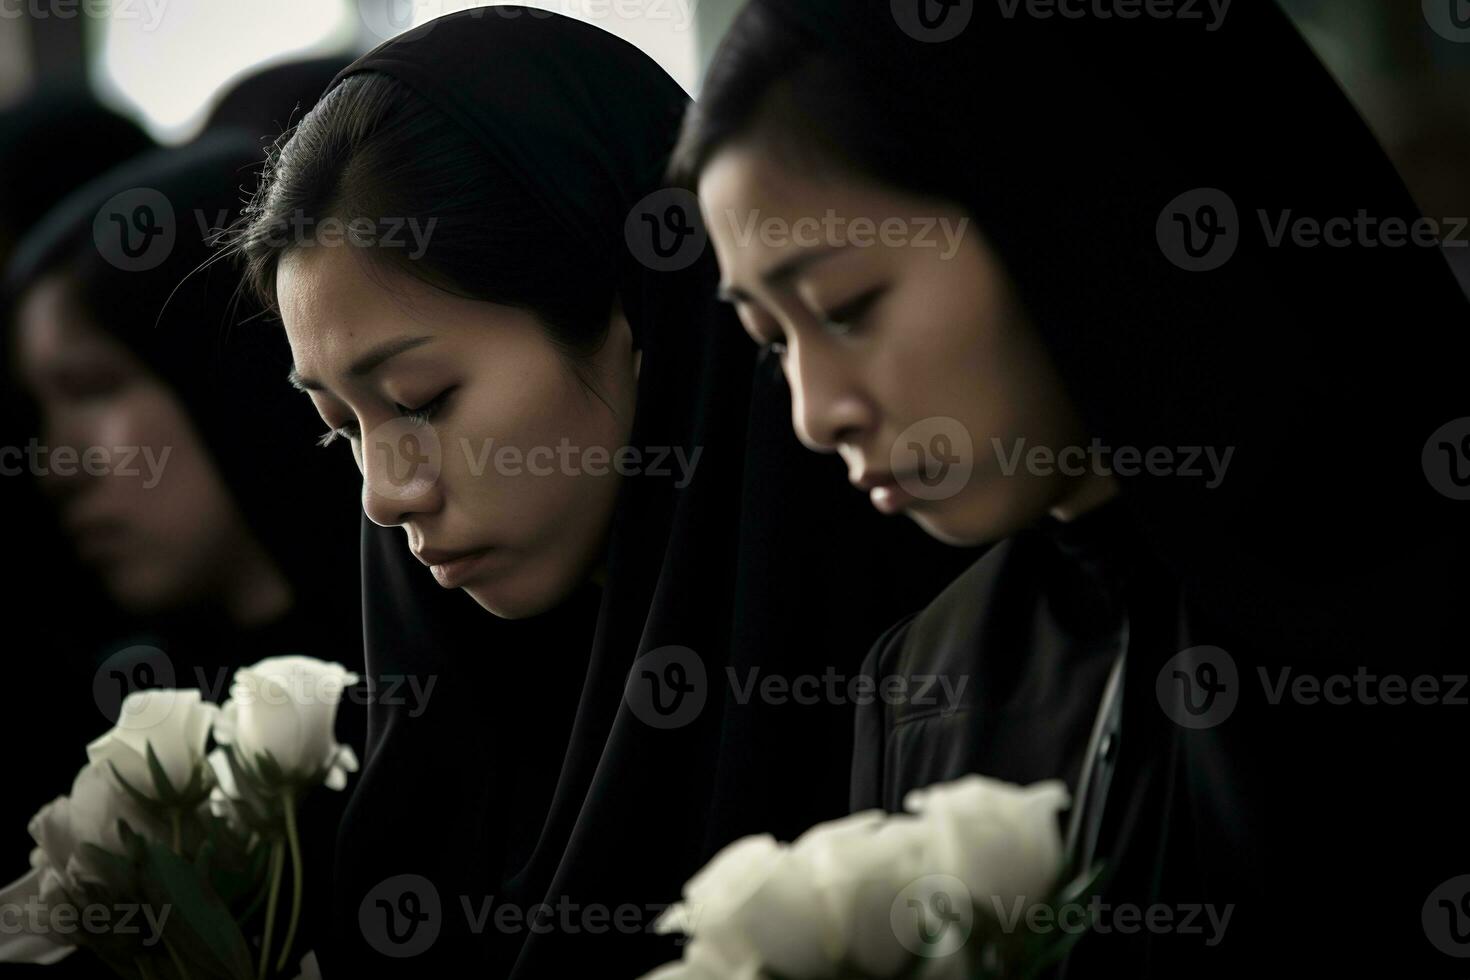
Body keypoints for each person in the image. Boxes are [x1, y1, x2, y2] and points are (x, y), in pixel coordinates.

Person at [673, 1, 1470, 975]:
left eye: (845, 306)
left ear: (1064, 205)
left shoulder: (1414, 611)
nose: (813, 412)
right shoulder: (925, 682)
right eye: (769, 343)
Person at [234, 8, 969, 976]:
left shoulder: (937, 685)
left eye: (423, 399)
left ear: (633, 313)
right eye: (342, 427)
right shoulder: (417, 775)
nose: (385, 493)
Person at [3, 134, 365, 976]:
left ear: (234, 364)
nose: (61, 463)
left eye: (94, 389)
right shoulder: (121, 722)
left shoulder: (445, 686)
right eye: (39, 411)